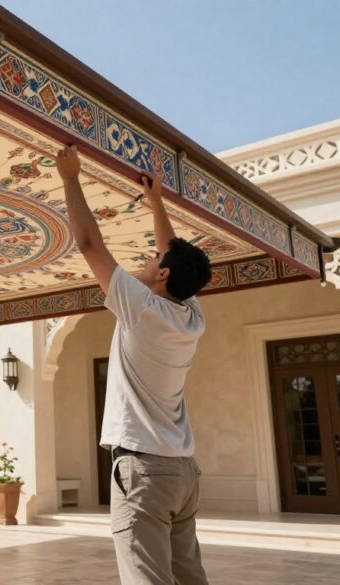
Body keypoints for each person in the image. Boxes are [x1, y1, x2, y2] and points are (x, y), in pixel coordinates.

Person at [55, 145, 213, 585]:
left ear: (162, 275)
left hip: (145, 471)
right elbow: (172, 253)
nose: (148, 257)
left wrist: (70, 178)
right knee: (188, 577)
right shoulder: (191, 316)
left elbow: (89, 243)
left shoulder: (141, 307)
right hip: (182, 471)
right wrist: (157, 203)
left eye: (154, 259)